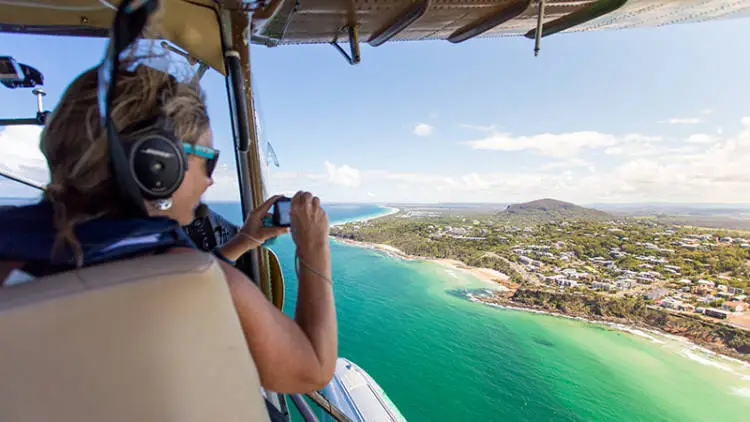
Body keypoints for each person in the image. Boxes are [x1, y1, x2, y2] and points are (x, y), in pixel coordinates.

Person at [0, 63, 337, 394]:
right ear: (157, 163)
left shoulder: (13, 250)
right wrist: (314, 248)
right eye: (208, 160)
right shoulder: (196, 279)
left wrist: (244, 240)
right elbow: (312, 370)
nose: (209, 180)